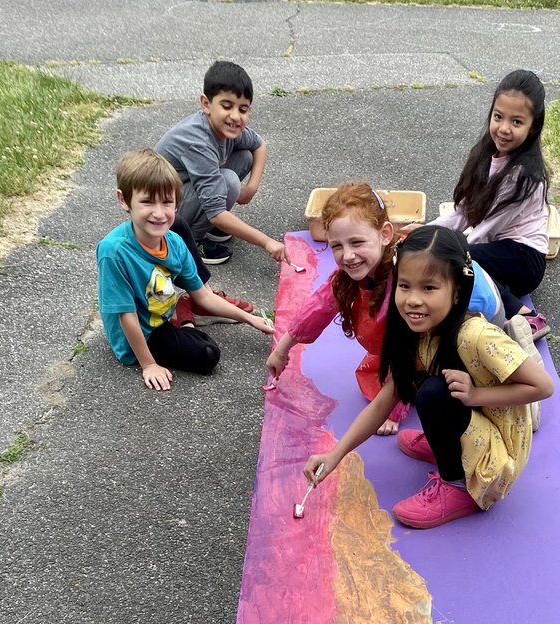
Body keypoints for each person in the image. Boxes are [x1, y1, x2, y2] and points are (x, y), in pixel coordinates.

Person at [303, 226, 553, 530]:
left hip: (497, 458)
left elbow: (542, 385)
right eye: (405, 286)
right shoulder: (417, 332)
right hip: (475, 421)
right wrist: (334, 455)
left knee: (434, 392)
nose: (413, 300)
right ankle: (447, 446)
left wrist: (477, 396)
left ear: (457, 290)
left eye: (429, 288)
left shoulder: (476, 335)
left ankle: (459, 486)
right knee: (423, 383)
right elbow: (385, 400)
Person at [267, 181, 506, 436]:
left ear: (385, 234)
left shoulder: (402, 274)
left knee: (441, 386)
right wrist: (282, 350)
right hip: (459, 310)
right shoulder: (358, 270)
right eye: (337, 245)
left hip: (481, 318)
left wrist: (394, 409)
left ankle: (502, 381)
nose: (348, 255)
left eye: (357, 242)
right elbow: (318, 308)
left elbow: (407, 346)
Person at [97, 150, 273, 391]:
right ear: (124, 200)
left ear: (177, 202)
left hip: (160, 315)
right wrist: (148, 364)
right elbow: (126, 315)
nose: (159, 213)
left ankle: (184, 312)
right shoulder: (113, 251)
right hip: (141, 334)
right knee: (208, 355)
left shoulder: (174, 242)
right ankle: (186, 318)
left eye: (167, 202)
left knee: (202, 343)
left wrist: (251, 320)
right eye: (147, 201)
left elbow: (204, 295)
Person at [429, 69, 551, 337]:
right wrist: (425, 233)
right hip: (500, 248)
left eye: (517, 122)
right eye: (498, 117)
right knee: (453, 256)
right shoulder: (487, 153)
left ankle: (525, 316)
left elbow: (483, 230)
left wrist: (449, 252)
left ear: (533, 127)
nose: (504, 129)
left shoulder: (524, 175)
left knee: (459, 259)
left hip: (524, 259)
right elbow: (463, 212)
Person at [155, 60, 288, 267]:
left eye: (243, 109)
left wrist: (251, 189)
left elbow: (260, 145)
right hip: (161, 210)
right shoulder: (198, 142)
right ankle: (191, 241)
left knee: (245, 156)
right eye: (227, 106)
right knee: (229, 182)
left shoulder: (227, 128)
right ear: (206, 104)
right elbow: (217, 214)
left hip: (184, 188)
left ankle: (202, 223)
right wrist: (267, 242)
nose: (235, 116)